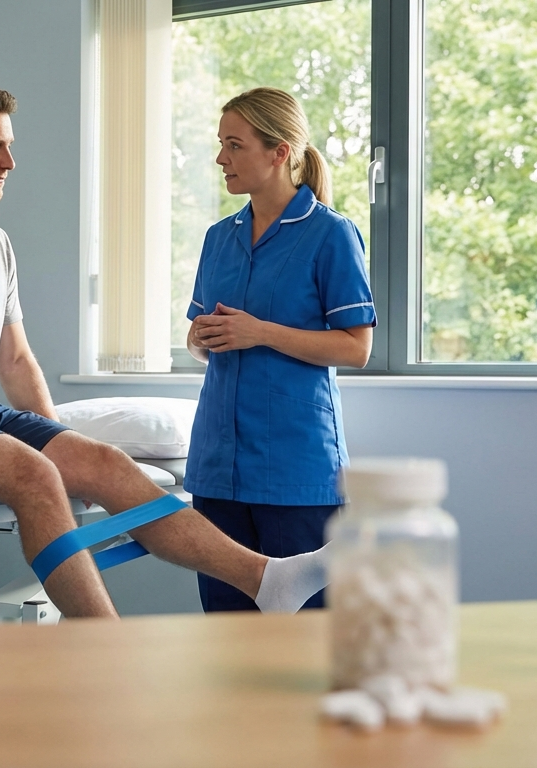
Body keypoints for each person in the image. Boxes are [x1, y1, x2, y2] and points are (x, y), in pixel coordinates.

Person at [0, 80, 329, 619]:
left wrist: (59, 442)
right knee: (35, 475)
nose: (10, 161)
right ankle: (105, 649)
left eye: (9, 145)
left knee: (104, 460)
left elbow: (16, 360)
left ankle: (266, 580)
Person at [184, 87, 376, 612]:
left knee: (307, 639)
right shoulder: (218, 238)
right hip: (217, 466)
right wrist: (201, 338)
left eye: (234, 144)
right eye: (221, 144)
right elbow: (200, 341)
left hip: (297, 470)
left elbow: (356, 347)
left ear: (279, 152)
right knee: (226, 633)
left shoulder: (331, 235)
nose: (221, 158)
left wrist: (262, 332)